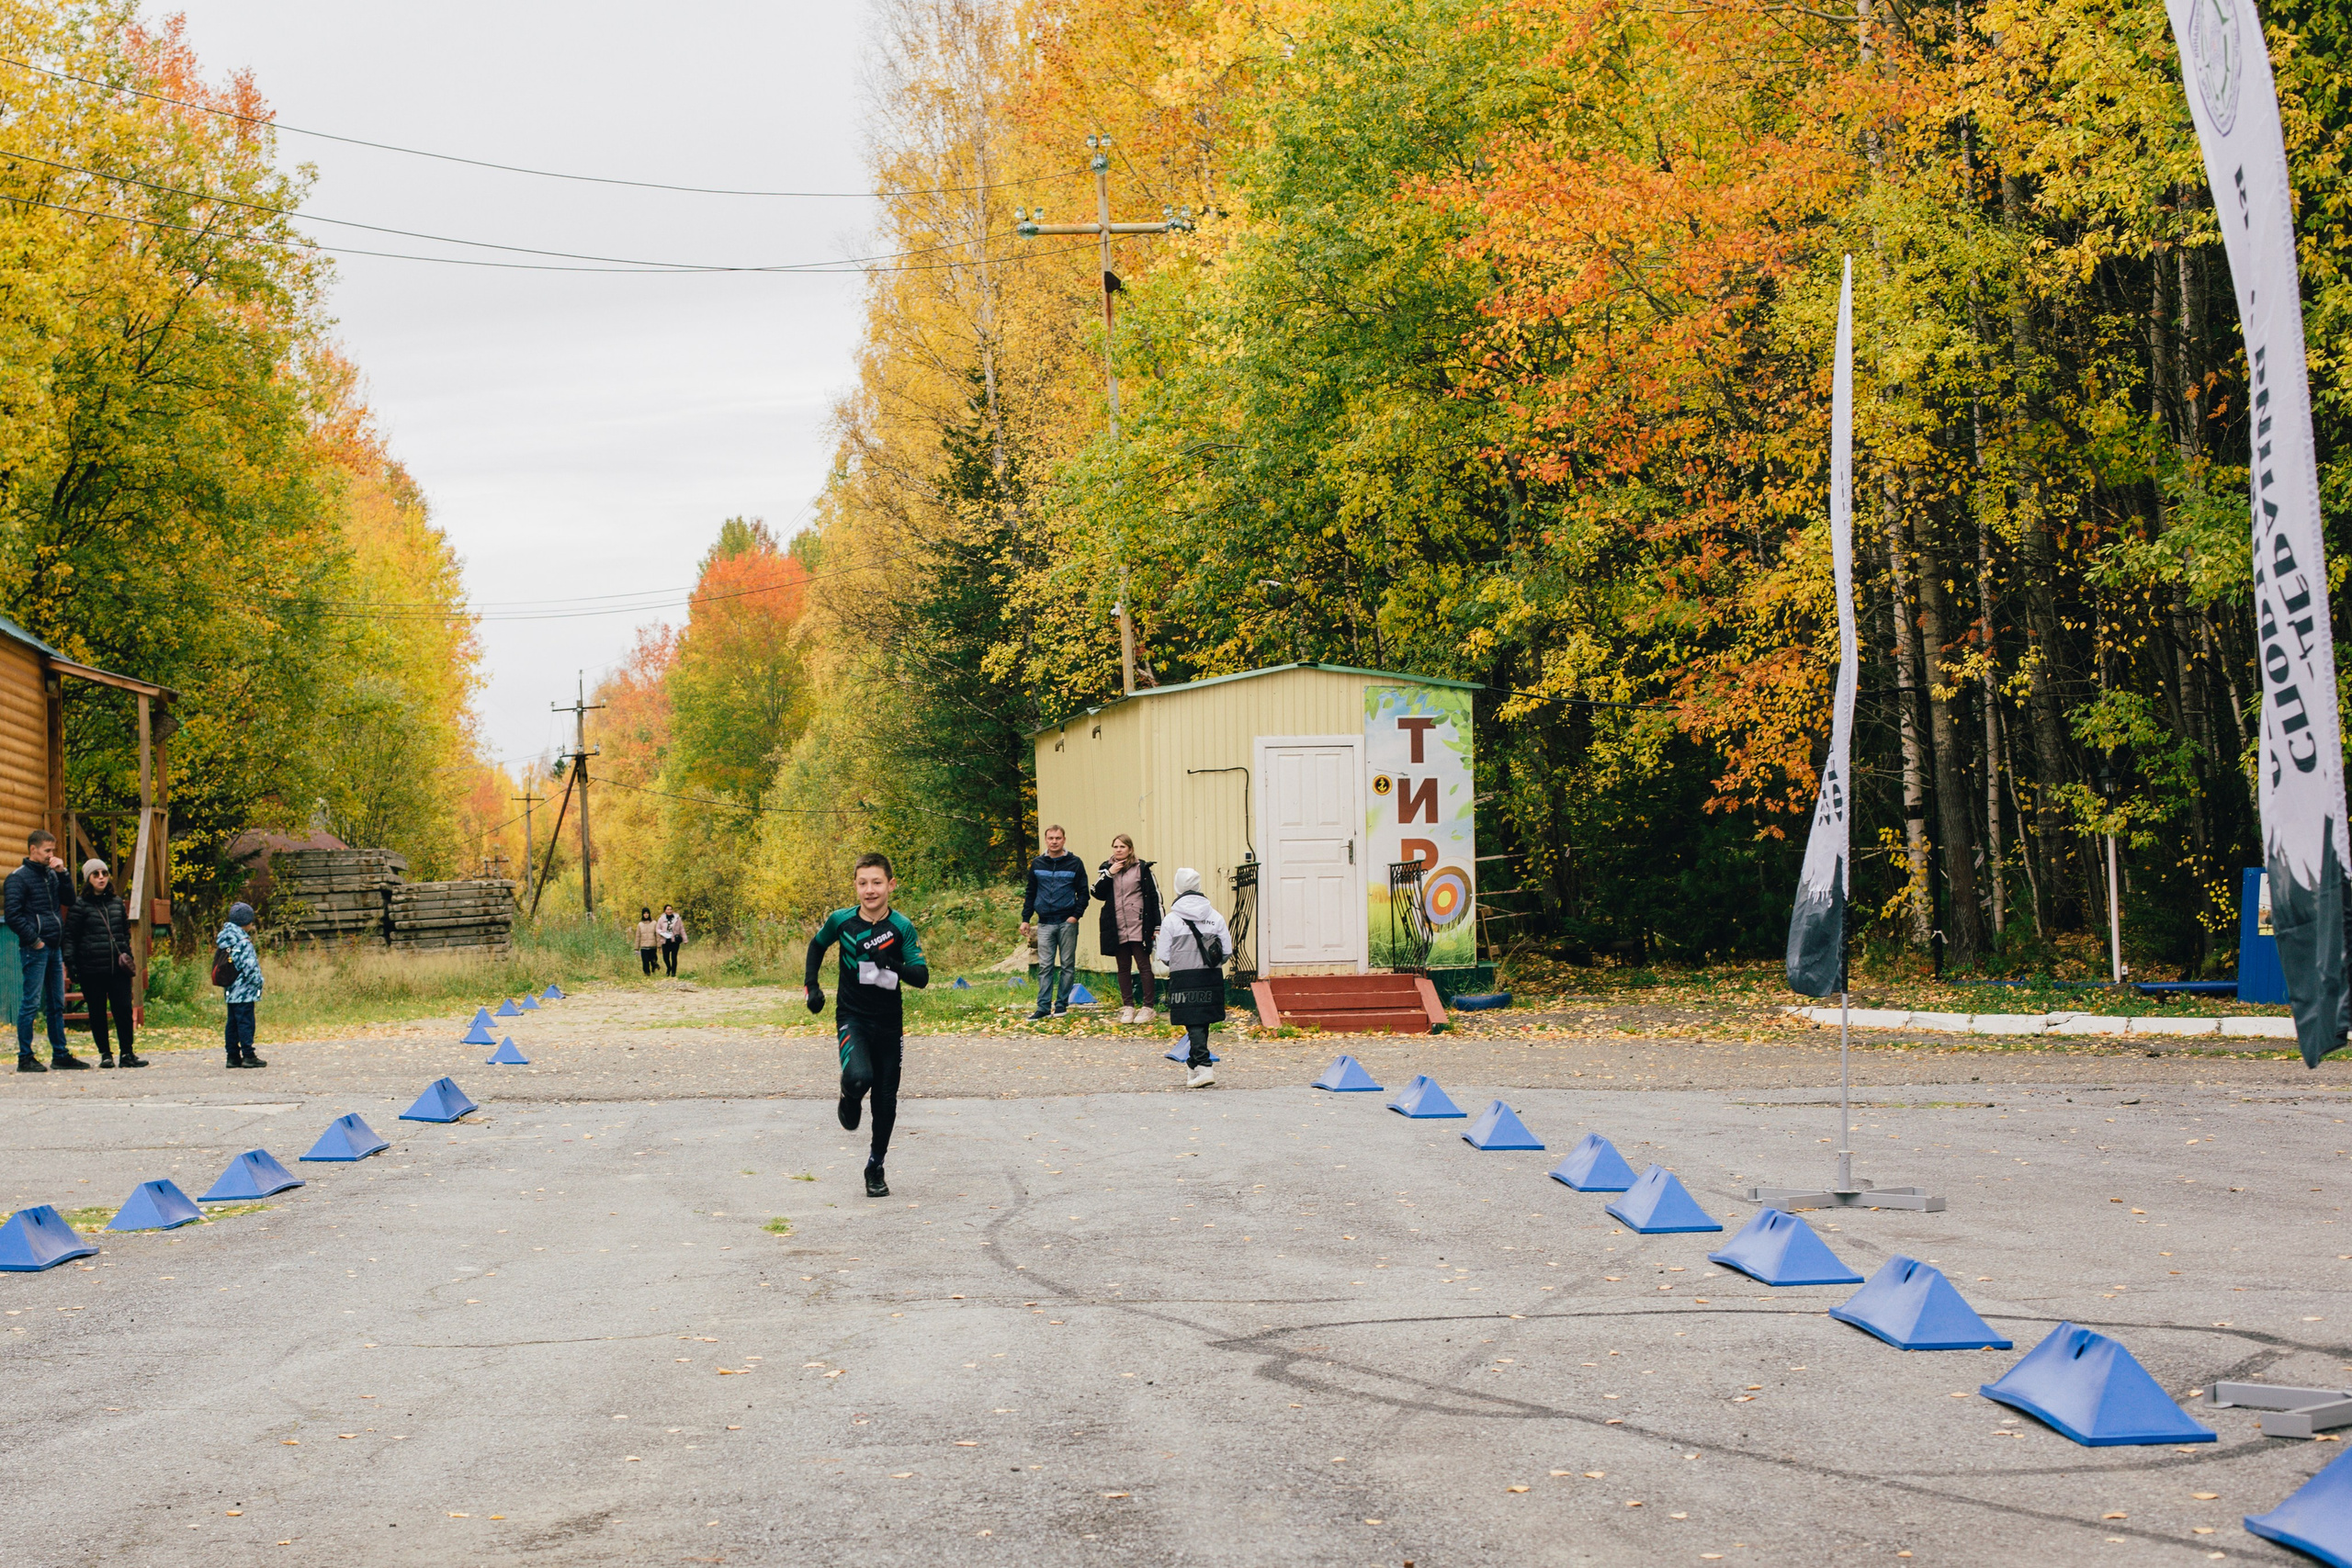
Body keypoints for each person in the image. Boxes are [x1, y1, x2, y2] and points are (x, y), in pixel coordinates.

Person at [805, 852, 929, 1198]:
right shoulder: (841, 921)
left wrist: (891, 963)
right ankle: (850, 1094)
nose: (870, 890)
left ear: (891, 885)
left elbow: (921, 977)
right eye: (863, 883)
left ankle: (875, 1166)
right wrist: (812, 986)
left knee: (886, 1100)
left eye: (877, 882)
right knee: (860, 1077)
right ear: (856, 886)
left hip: (889, 1022)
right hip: (853, 1017)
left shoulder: (901, 927)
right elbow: (816, 946)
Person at [6, 829, 84, 1072]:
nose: (52, 855)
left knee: (56, 1003)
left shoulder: (51, 874)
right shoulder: (18, 878)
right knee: (31, 1003)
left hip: (54, 947)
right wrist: (35, 940)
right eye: (47, 850)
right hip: (36, 949)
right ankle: (25, 1057)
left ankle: (60, 1055)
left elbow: (69, 900)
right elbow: (13, 915)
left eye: (53, 850)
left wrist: (63, 873)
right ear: (33, 849)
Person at [1153, 867, 1232, 1089]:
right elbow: (1227, 950)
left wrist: (1181, 962)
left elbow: (1164, 955)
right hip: (1210, 974)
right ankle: (1192, 1065)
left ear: (1178, 887)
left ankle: (1205, 1066)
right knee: (1202, 1019)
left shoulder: (1171, 919)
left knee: (1192, 1020)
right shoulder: (1215, 916)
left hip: (1183, 976)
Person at [64, 859, 146, 1068]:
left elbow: (124, 933)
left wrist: (127, 955)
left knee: (123, 1010)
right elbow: (70, 936)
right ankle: (105, 1054)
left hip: (117, 969)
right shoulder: (79, 906)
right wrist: (71, 963)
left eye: (104, 873)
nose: (101, 877)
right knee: (97, 1012)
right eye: (96, 874)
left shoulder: (117, 903)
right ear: (88, 879)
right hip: (92, 969)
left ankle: (127, 1053)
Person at [1019, 824, 1089, 1021]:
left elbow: (1083, 893)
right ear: (1046, 840)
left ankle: (1061, 1005)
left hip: (1067, 922)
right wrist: (1025, 919)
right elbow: (1031, 892)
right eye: (1051, 838)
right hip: (1044, 923)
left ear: (1064, 840)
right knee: (1045, 966)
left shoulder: (1075, 863)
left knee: (1067, 965)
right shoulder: (1037, 863)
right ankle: (1042, 1007)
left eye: (1058, 838)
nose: (1054, 842)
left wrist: (1075, 916)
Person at [1092, 834, 1163, 1025]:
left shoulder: (1142, 868)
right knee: (1123, 967)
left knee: (1143, 965)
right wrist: (1109, 874)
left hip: (1139, 924)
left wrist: (1158, 925)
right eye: (1115, 846)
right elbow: (1096, 892)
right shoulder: (1107, 868)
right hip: (1117, 926)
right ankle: (1128, 1007)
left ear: (1130, 849)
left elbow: (1155, 897)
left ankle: (1148, 1007)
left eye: (1122, 847)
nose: (1118, 850)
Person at [214, 902, 266, 1069]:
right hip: (244, 991)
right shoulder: (243, 943)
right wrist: (259, 982)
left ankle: (232, 1056)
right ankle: (248, 1056)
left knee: (232, 1024)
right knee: (246, 1023)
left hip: (230, 989)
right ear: (247, 922)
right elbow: (250, 968)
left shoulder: (225, 940)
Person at [657, 904, 685, 977]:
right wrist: (662, 933)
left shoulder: (677, 919)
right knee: (665, 957)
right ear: (665, 911)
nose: (670, 911)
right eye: (668, 909)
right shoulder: (661, 919)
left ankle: (673, 972)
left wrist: (685, 939)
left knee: (674, 957)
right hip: (665, 941)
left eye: (671, 909)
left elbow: (682, 929)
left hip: (674, 941)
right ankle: (669, 968)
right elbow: (657, 929)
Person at [635, 907, 660, 976]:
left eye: (647, 913)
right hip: (644, 946)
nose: (646, 914)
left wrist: (659, 945)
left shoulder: (654, 923)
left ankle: (654, 967)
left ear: (649, 914)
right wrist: (636, 948)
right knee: (645, 962)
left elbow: (657, 935)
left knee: (653, 960)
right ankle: (647, 973)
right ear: (642, 914)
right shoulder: (640, 924)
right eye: (644, 913)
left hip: (652, 946)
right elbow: (638, 936)